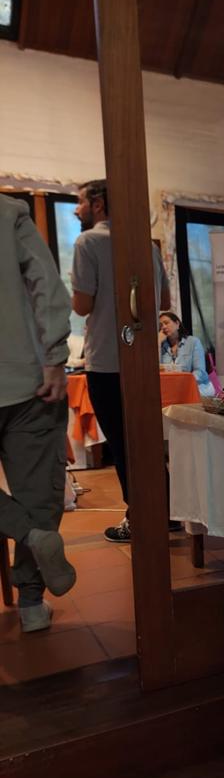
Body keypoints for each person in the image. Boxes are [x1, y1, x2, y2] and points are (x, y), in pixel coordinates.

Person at [71, 179, 171, 543]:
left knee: (122, 444)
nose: (76, 209)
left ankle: (139, 517)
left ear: (98, 204)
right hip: (143, 359)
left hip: (106, 360)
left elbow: (82, 305)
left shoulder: (87, 242)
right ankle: (168, 512)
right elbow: (164, 302)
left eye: (80, 202)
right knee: (147, 441)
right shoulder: (145, 245)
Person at [0, 195, 77, 631]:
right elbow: (46, 281)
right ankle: (31, 605)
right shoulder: (8, 212)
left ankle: (29, 533)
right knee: (38, 492)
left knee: (30, 505)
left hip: (26, 381)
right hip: (27, 379)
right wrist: (54, 356)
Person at [158, 311, 215, 398]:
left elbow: (200, 372)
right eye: (161, 325)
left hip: (196, 388)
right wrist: (158, 342)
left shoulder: (193, 342)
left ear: (177, 324)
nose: (164, 327)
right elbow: (156, 370)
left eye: (166, 323)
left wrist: (182, 383)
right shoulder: (161, 346)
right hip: (172, 391)